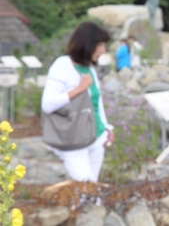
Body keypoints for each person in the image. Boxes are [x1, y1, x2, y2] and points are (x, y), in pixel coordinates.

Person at [41, 21, 115, 182]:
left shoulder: (90, 69)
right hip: (74, 141)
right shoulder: (62, 65)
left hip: (97, 137)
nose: (103, 50)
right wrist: (79, 89)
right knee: (85, 184)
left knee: (91, 190)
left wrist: (107, 128)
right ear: (88, 44)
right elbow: (47, 105)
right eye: (100, 45)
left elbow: (97, 103)